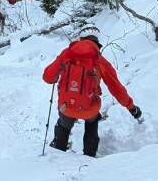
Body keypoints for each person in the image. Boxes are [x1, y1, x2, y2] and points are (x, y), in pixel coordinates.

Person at [42, 25, 142, 157]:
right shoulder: (99, 60)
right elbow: (116, 88)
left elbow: (48, 77)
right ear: (97, 41)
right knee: (92, 122)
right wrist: (131, 107)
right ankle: (89, 157)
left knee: (64, 124)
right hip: (89, 107)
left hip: (66, 106)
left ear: (81, 38)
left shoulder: (67, 54)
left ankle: (56, 154)